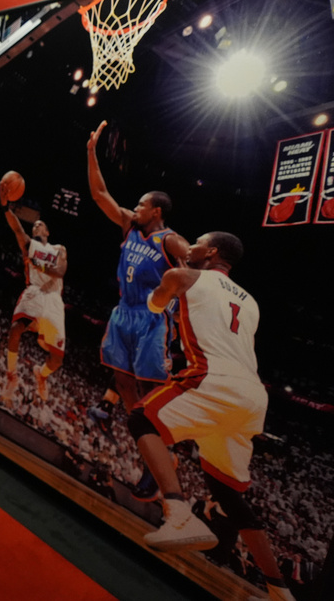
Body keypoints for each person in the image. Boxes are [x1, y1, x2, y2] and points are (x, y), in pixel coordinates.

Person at [129, 231, 295, 601]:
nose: (189, 248)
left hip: (212, 378)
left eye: (196, 243)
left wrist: (169, 285)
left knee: (141, 419)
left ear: (211, 251)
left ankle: (178, 514)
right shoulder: (251, 302)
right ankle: (280, 594)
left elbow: (155, 306)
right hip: (251, 397)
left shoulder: (182, 276)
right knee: (230, 497)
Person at [84, 119, 189, 500]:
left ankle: (164, 454)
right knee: (124, 382)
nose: (137, 206)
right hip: (123, 312)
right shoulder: (129, 226)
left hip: (151, 319)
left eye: (143, 204)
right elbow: (100, 194)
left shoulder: (170, 239)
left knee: (150, 389)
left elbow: (193, 266)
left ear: (157, 211)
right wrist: (91, 152)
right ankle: (145, 443)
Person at [0, 180, 67, 402]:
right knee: (16, 329)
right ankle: (11, 375)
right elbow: (15, 225)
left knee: (56, 360)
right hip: (35, 292)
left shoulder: (58, 249)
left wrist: (40, 266)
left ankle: (41, 374)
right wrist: (4, 206)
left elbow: (61, 271)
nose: (36, 226)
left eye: (40, 225)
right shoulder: (28, 244)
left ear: (47, 231)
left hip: (54, 299)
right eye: (34, 225)